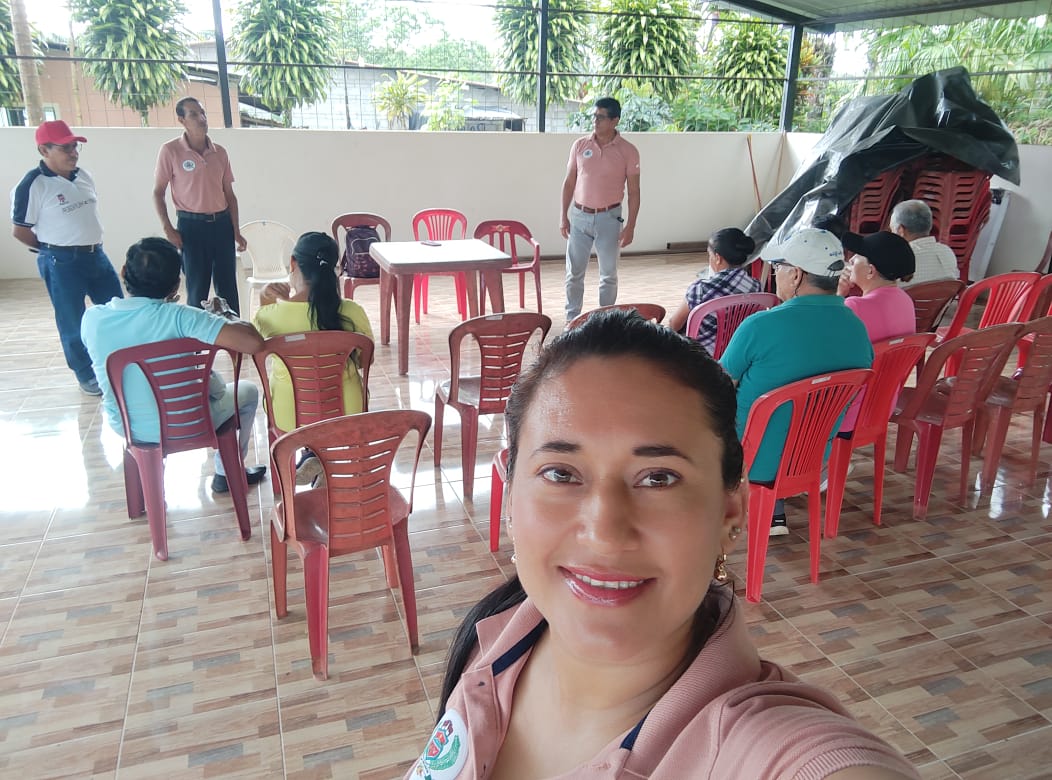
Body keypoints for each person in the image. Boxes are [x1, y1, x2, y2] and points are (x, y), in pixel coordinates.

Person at [406, 310, 918, 780]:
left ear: (729, 512)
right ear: (510, 495)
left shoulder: (768, 747)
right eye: (561, 473)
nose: (605, 532)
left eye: (658, 478)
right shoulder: (499, 634)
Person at [81, 237, 267, 494]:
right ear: (176, 284)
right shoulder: (183, 317)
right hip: (188, 421)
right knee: (248, 391)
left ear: (123, 272)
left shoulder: (92, 319)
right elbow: (253, 343)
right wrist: (224, 316)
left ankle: (149, 485)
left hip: (127, 425)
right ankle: (226, 472)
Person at [720, 229, 873, 536]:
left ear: (796, 275)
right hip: (811, 459)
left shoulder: (760, 326)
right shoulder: (857, 329)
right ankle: (772, 510)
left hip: (749, 459)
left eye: (778, 267)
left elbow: (718, 386)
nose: (775, 273)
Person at [10, 120, 124, 396]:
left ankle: (120, 362)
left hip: (96, 254)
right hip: (61, 262)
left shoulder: (83, 176)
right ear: (44, 150)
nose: (73, 153)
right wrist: (53, 249)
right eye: (65, 148)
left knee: (116, 310)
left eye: (75, 147)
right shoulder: (33, 185)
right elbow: (20, 231)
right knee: (72, 319)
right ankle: (86, 374)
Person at [253, 231, 373, 433]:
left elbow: (256, 346)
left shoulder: (269, 316)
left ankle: (295, 451)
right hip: (347, 411)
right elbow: (365, 361)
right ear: (334, 269)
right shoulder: (352, 312)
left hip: (288, 415)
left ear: (293, 263)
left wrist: (265, 301)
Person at [153, 97, 247, 315]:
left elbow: (229, 195)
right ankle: (197, 335)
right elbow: (158, 193)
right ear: (182, 120)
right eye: (193, 114)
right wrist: (168, 229)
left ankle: (234, 331)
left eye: (202, 113)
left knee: (228, 287)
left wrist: (236, 230)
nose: (201, 118)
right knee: (197, 287)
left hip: (221, 224)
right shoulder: (170, 151)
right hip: (191, 227)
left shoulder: (219, 152)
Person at [560, 96, 641, 322]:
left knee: (608, 275)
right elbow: (569, 182)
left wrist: (631, 226)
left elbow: (634, 192)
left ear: (615, 120)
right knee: (574, 273)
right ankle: (572, 320)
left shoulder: (628, 151)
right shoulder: (580, 145)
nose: (595, 121)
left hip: (610, 218)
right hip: (579, 217)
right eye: (594, 116)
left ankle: (605, 321)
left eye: (601, 117)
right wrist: (563, 216)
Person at [666, 227, 760, 353]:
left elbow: (674, 324)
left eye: (709, 255)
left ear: (717, 258)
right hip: (737, 350)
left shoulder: (701, 289)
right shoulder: (756, 286)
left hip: (702, 355)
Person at [889, 200, 959, 286]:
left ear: (900, 230)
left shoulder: (897, 259)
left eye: (892, 229)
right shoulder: (947, 252)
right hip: (943, 295)